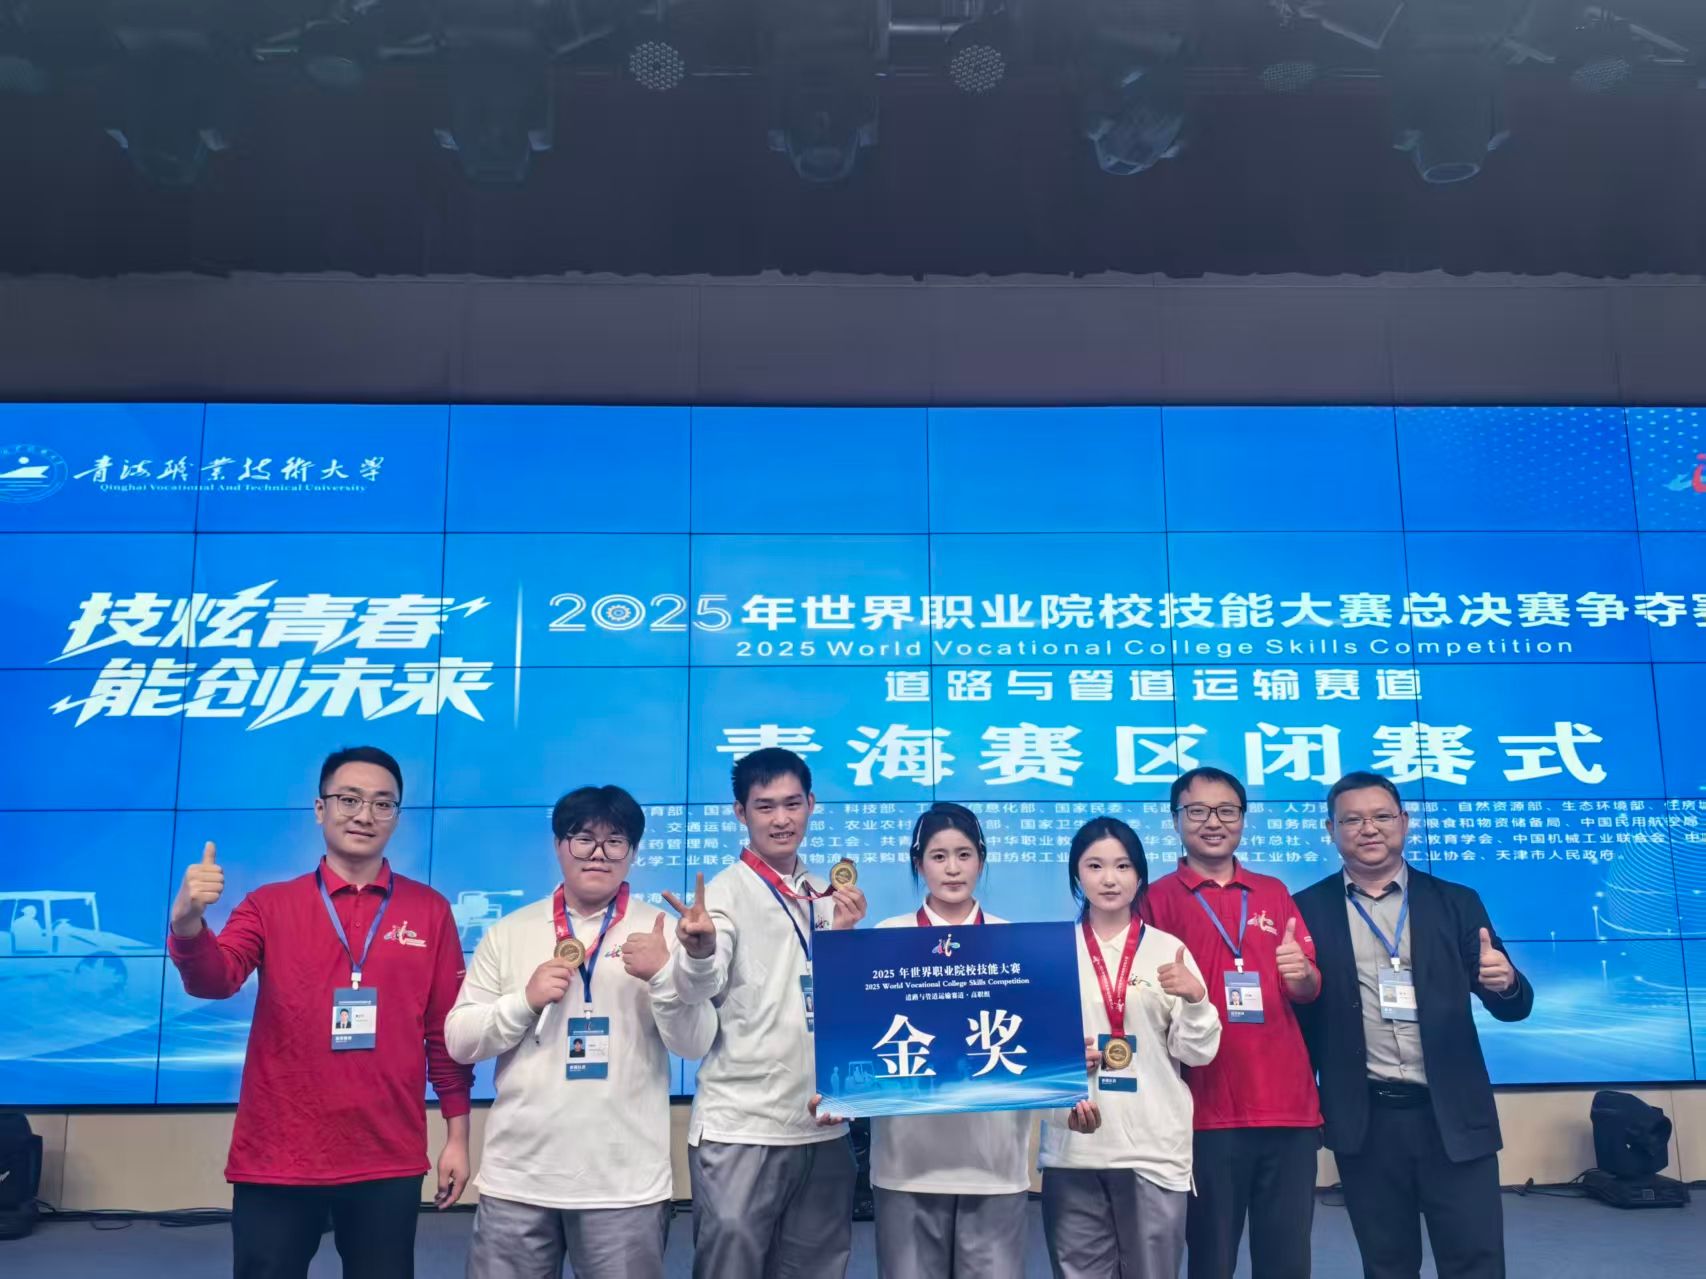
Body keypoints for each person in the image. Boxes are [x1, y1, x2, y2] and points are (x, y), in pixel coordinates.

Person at [167, 745, 472, 1279]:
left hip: (386, 1153)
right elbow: (216, 980)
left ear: (397, 816)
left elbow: (444, 1035)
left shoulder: (430, 911)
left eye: (382, 804)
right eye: (349, 799)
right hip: (279, 1153)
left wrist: (458, 1139)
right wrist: (187, 923)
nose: (364, 815)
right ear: (319, 808)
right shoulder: (269, 904)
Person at [445, 784, 715, 1279]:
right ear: (558, 845)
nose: (598, 853)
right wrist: (523, 1002)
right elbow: (459, 1041)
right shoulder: (511, 932)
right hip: (519, 1179)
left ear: (633, 852)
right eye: (583, 838)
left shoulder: (661, 932)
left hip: (624, 1184)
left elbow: (694, 1043)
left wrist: (664, 976)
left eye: (615, 841)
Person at [1293, 771, 1534, 1279]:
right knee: (1387, 1264)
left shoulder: (1456, 901)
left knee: (1476, 1261)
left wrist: (1507, 982)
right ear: (1331, 830)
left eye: (1382, 816)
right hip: (1367, 1121)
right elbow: (1301, 1022)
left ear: (1404, 821)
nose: (1369, 828)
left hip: (1453, 1116)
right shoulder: (1306, 909)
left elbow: (1512, 1007)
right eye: (1352, 820)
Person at [868, 802, 1101, 1279]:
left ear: (981, 859)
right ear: (918, 864)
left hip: (995, 1164)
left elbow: (1035, 1052)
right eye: (938, 857)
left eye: (964, 855)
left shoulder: (1016, 944)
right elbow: (861, 1043)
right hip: (904, 1164)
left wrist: (1069, 1075)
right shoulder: (885, 939)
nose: (952, 868)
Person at [665, 747, 867, 1279]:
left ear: (811, 805)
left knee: (817, 1268)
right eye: (765, 806)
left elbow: (840, 1004)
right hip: (742, 1125)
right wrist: (700, 951)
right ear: (741, 812)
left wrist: (845, 941)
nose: (781, 819)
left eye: (792, 804)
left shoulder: (824, 894)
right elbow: (699, 986)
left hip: (823, 1121)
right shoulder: (723, 895)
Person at [1141, 768, 1322, 1279]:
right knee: (1211, 1261)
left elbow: (1308, 989)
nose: (1213, 822)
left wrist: (1302, 974)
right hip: (1205, 1112)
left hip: (1288, 1109)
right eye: (1197, 811)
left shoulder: (1273, 892)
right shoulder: (1156, 900)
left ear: (1243, 818)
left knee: (1287, 1261)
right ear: (1176, 820)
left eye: (1227, 811)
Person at [1040, 816, 1222, 1279]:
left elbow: (1196, 1053)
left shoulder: (1167, 950)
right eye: (1095, 865)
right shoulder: (1049, 952)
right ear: (1076, 874)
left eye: (1122, 866)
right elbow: (1024, 1050)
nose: (1109, 878)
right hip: (1074, 1145)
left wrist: (1196, 999)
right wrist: (1058, 1058)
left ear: (1140, 875)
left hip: (1152, 1149)